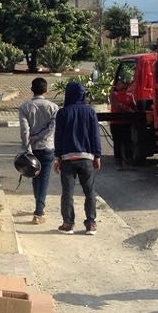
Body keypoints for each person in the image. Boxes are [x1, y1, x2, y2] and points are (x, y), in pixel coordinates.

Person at [53, 80, 102, 235]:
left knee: (67, 192)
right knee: (89, 191)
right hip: (86, 158)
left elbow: (58, 137)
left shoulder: (62, 113)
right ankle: (91, 224)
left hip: (67, 159)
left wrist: (57, 157)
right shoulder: (90, 112)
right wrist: (97, 156)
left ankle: (68, 224)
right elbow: (95, 136)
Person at [19, 77, 58, 225]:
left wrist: (28, 146)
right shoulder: (54, 107)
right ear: (46, 90)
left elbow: (24, 131)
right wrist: (39, 137)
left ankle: (39, 204)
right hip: (47, 147)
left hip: (32, 149)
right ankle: (39, 211)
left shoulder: (25, 107)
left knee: (35, 177)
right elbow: (52, 129)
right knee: (44, 180)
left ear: (31, 89)